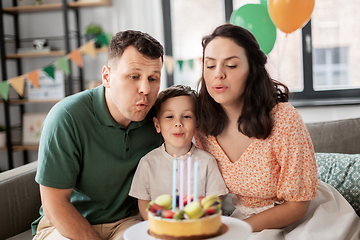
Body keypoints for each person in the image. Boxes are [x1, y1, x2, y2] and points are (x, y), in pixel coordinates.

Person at [195, 23, 360, 239]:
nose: (218, 74)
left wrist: (233, 226)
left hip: (307, 218)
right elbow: (211, 192)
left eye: (231, 65)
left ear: (252, 70)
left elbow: (297, 206)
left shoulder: (283, 118)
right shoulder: (201, 127)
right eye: (210, 66)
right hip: (248, 219)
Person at [32, 30, 164, 240]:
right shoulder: (66, 116)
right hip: (64, 226)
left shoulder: (159, 116)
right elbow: (54, 204)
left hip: (126, 223)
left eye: (153, 78)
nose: (145, 89)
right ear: (106, 77)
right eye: (134, 76)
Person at [129, 85, 228, 220]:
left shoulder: (207, 162)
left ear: (197, 124)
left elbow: (216, 199)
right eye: (170, 116)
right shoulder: (148, 163)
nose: (178, 123)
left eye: (186, 116)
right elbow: (144, 202)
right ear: (157, 125)